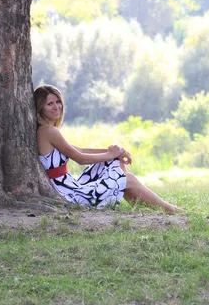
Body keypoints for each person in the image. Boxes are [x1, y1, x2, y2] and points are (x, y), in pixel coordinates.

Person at [33, 84, 182, 214]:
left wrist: (115, 153)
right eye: (49, 104)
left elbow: (79, 149)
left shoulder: (48, 130)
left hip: (69, 186)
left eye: (58, 102)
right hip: (69, 194)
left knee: (113, 163)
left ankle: (141, 202)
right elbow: (80, 158)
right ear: (40, 109)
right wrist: (111, 154)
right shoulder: (48, 132)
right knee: (127, 178)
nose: (56, 106)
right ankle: (170, 209)